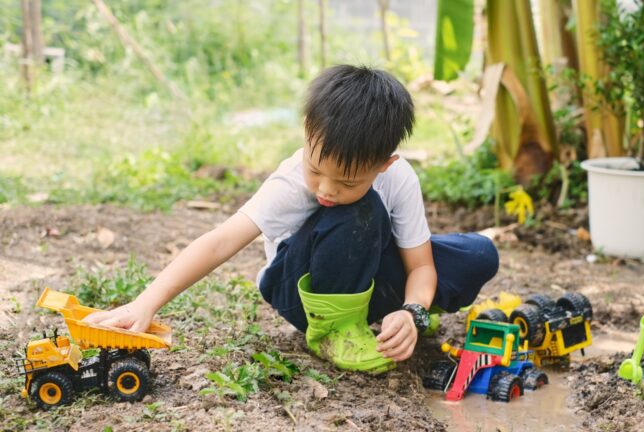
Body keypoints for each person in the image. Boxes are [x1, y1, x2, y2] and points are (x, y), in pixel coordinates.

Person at [84, 65, 499, 374]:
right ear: (306, 132)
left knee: (478, 253)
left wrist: (413, 312)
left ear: (385, 164)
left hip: (364, 274)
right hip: (297, 287)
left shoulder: (400, 178)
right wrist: (144, 303)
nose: (326, 190)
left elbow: (421, 265)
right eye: (315, 169)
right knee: (361, 210)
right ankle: (333, 331)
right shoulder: (288, 184)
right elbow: (220, 241)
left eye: (348, 180)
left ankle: (389, 325)